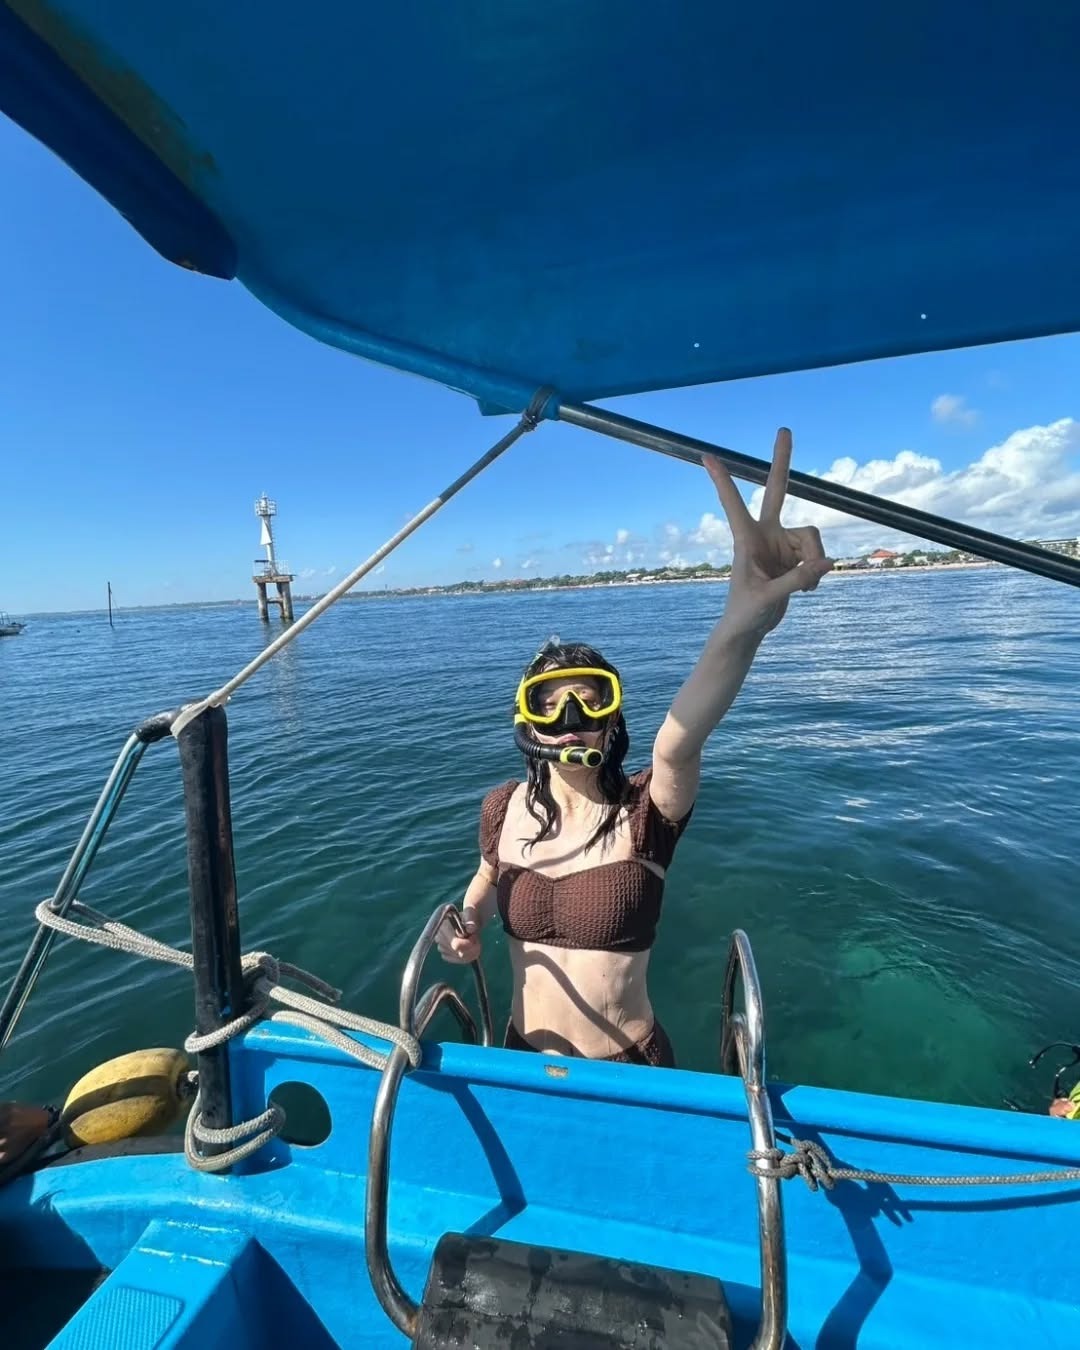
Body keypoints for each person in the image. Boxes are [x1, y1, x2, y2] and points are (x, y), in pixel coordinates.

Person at [438, 429, 832, 1065]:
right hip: (521, 1059)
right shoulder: (502, 808)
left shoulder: (648, 809)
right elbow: (486, 880)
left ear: (612, 719)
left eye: (588, 701)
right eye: (547, 703)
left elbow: (679, 738)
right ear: (526, 721)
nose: (570, 719)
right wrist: (466, 928)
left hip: (628, 1065)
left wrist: (742, 622)